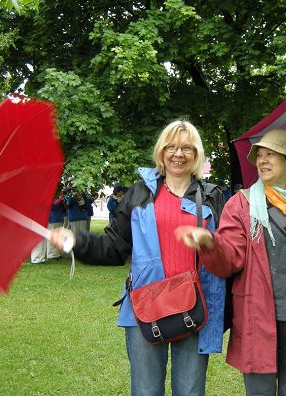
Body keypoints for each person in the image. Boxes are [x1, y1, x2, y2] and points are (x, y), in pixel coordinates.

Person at [50, 120, 226, 396]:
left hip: (194, 306)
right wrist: (76, 241)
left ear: (196, 154)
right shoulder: (140, 192)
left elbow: (228, 251)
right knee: (145, 391)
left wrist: (210, 242)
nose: (178, 154)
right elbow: (114, 245)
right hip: (146, 306)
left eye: (186, 148)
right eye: (171, 147)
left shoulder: (211, 195)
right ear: (161, 151)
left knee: (190, 391)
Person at [176, 128, 286, 395]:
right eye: (260, 155)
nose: (262, 161)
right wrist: (210, 243)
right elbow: (230, 259)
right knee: (259, 391)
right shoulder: (242, 204)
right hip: (255, 314)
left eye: (271, 154)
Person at [30, 191, 66, 263]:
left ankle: (41, 258)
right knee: (39, 240)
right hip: (43, 219)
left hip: (45, 219)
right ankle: (37, 259)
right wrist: (59, 199)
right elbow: (50, 206)